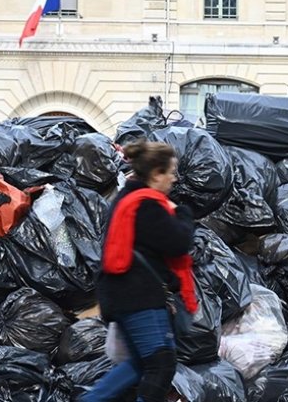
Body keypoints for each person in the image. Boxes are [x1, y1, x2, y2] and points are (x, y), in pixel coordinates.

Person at [82, 140, 198, 402]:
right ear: (156, 173)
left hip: (123, 295)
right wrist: (184, 214)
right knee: (160, 364)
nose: (174, 179)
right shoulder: (145, 205)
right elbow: (178, 243)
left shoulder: (130, 198)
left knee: (140, 363)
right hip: (137, 297)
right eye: (170, 172)